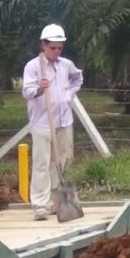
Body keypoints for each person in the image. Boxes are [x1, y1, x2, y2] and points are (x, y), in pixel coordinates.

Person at [21, 23, 83, 220]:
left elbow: (77, 79)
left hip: (64, 121)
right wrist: (39, 88)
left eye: (59, 48)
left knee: (61, 163)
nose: (56, 52)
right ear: (43, 45)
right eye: (52, 48)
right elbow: (26, 92)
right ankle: (40, 204)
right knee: (41, 164)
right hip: (42, 123)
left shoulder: (66, 65)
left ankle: (58, 202)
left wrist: (68, 95)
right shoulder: (33, 66)